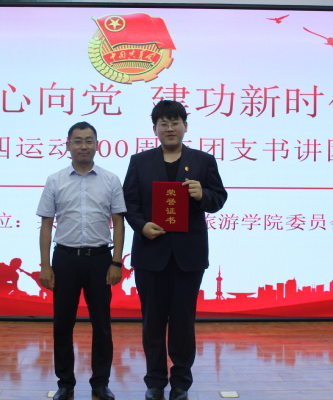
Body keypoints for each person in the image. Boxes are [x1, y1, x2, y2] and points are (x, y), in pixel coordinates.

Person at [123, 100, 228, 400]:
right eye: (163, 123)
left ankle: (181, 382)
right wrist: (141, 226)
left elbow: (219, 198)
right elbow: (129, 203)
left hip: (188, 256)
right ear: (154, 129)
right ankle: (155, 382)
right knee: (152, 322)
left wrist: (202, 194)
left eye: (175, 122)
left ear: (185, 126)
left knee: (183, 322)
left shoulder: (203, 161)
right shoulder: (140, 161)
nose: (169, 128)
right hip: (150, 253)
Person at [37, 121, 126, 400]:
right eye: (77, 141)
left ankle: (100, 382)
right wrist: (45, 265)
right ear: (68, 145)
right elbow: (46, 225)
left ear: (97, 145)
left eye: (88, 140)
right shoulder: (55, 180)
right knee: (63, 324)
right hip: (65, 258)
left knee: (102, 324)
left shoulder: (111, 180)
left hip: (100, 259)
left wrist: (116, 262)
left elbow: (119, 223)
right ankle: (65, 383)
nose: (83, 146)